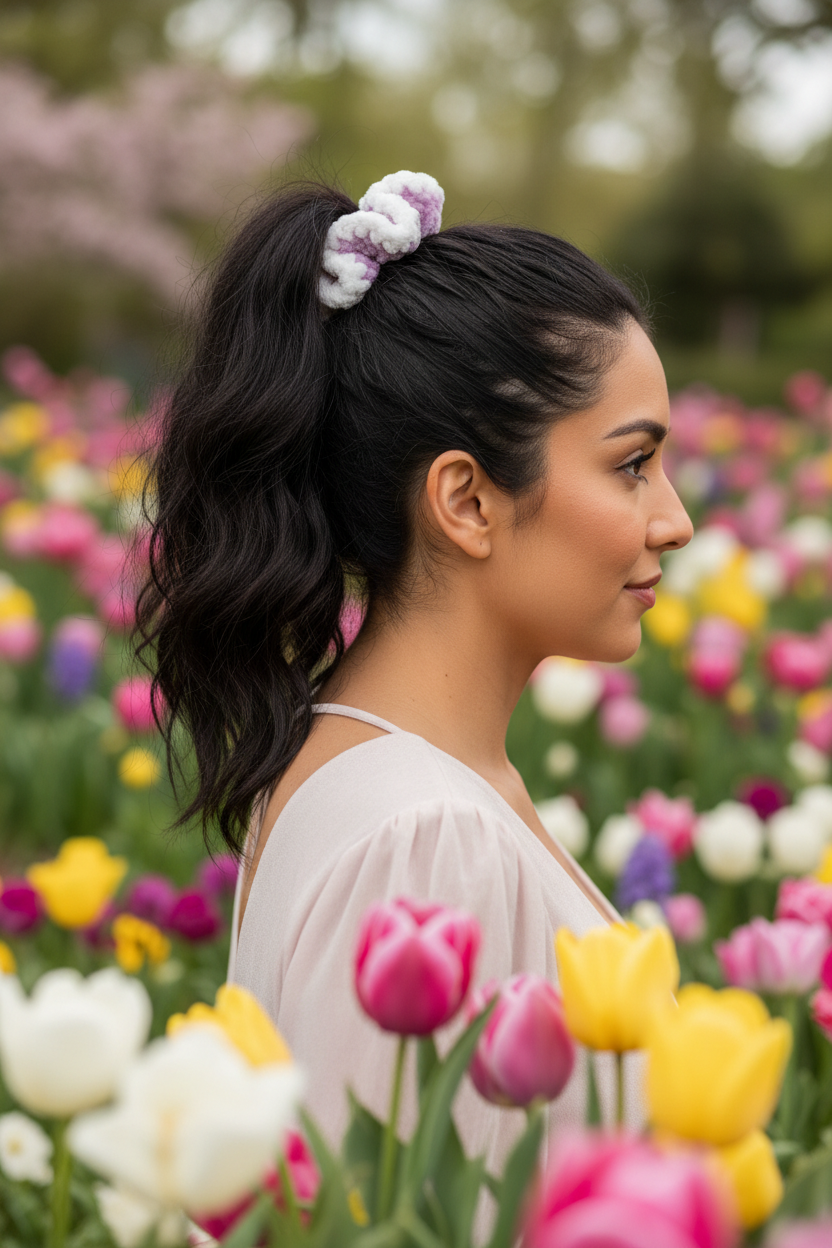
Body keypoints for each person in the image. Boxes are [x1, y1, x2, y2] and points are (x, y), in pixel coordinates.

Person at [137, 170, 693, 1172]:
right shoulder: (425, 840)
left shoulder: (365, 764)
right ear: (467, 501)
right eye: (631, 464)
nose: (674, 519)